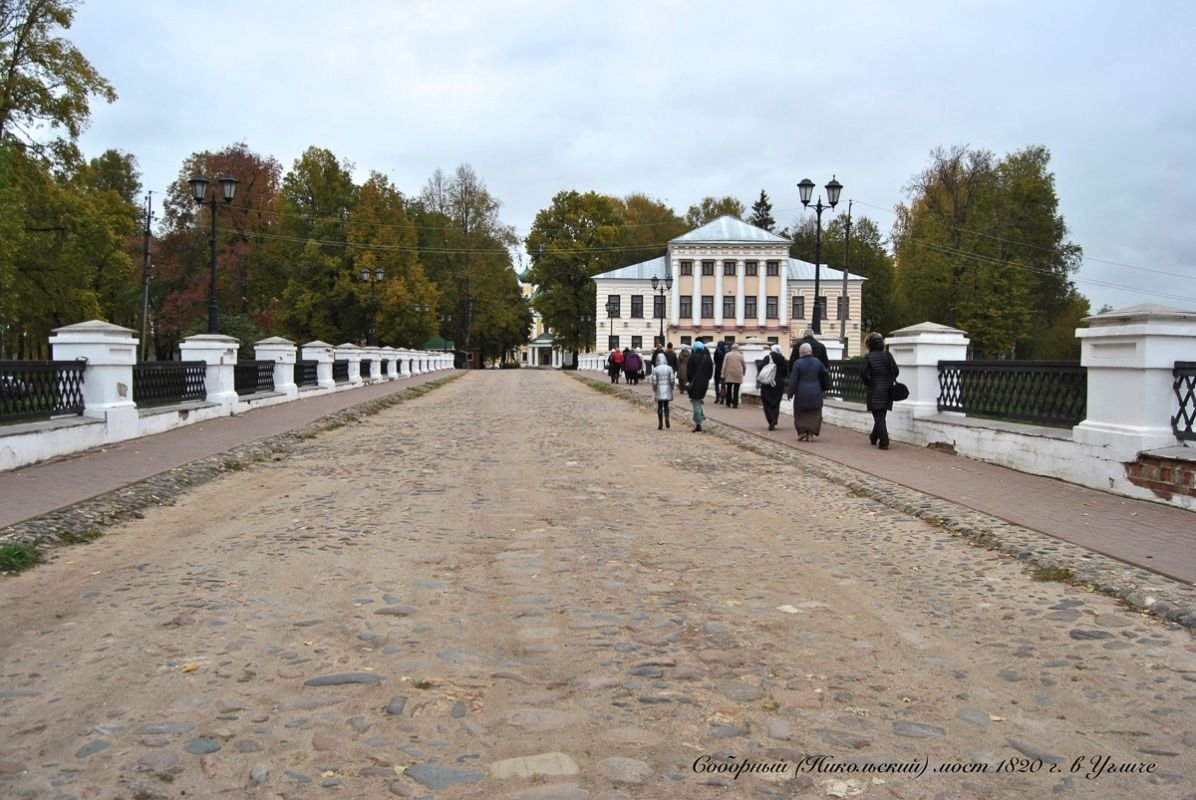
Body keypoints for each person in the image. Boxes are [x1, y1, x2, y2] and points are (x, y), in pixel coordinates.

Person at [860, 332, 899, 450]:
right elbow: (896, 371)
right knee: (881, 415)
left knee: (878, 416)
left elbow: (862, 373)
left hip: (874, 390)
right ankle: (873, 437)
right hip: (887, 389)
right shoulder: (888, 355)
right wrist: (889, 378)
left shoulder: (868, 357)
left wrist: (869, 382)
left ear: (870, 344)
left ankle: (884, 442)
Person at [788, 342, 829, 441]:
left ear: (800, 352)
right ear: (810, 351)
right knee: (815, 412)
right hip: (815, 390)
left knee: (800, 412)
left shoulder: (797, 363)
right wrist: (824, 387)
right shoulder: (817, 362)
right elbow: (825, 374)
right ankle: (811, 433)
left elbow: (793, 380)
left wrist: (790, 392)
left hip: (801, 391)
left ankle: (802, 432)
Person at [755, 344, 788, 431]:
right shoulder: (782, 359)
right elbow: (785, 372)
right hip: (778, 384)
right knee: (776, 402)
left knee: (766, 401)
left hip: (767, 383)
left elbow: (760, 367)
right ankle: (774, 418)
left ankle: (770, 419)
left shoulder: (767, 358)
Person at [687, 340, 714, 432]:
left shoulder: (692, 357)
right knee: (698, 400)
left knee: (695, 401)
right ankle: (701, 416)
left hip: (694, 383)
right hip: (704, 383)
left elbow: (689, 372)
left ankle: (698, 423)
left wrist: (689, 381)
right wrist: (706, 379)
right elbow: (710, 372)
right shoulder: (707, 358)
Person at [649, 352, 675, 430]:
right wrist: (672, 387)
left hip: (659, 389)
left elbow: (654, 381)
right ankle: (667, 418)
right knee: (666, 405)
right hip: (667, 388)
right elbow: (672, 380)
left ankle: (660, 423)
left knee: (660, 406)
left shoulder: (655, 369)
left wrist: (655, 389)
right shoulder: (669, 368)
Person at [721, 344, 746, 409]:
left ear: (731, 348)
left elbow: (724, 365)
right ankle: (735, 403)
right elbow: (744, 365)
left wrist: (722, 374)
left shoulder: (727, 355)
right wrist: (744, 372)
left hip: (729, 373)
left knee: (729, 389)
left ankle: (728, 403)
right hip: (738, 374)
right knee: (736, 389)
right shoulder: (740, 355)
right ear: (738, 348)